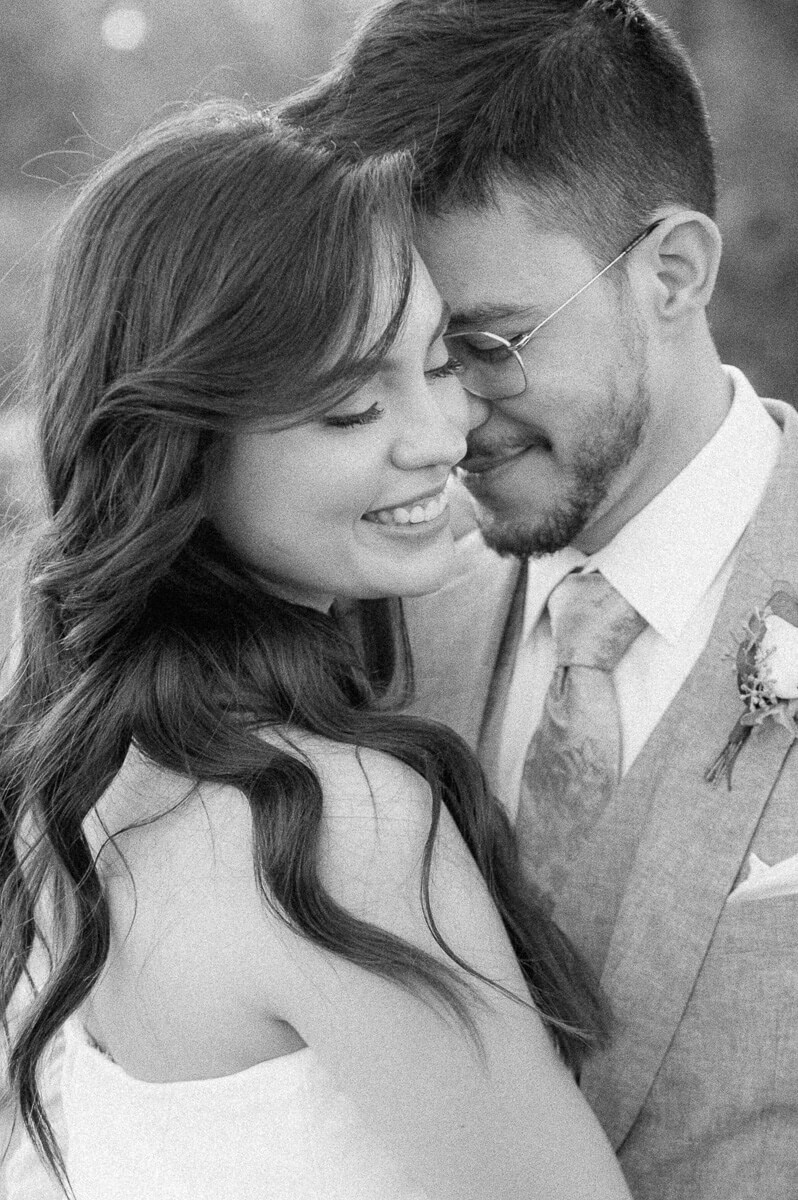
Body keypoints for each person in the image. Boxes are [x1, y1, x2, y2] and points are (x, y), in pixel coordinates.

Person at [0, 102, 632, 1200]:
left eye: (439, 361)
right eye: (349, 408)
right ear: (181, 449)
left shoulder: (82, 760)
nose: (443, 437)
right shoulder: (331, 825)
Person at [278, 2, 798, 1197]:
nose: (443, 420)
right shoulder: (369, 625)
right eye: (401, 358)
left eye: (488, 343)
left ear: (672, 271)